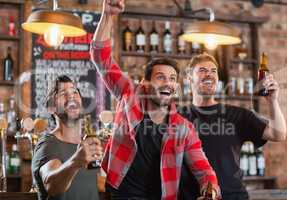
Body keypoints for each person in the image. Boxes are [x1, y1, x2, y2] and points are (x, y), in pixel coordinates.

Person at [90, 1, 221, 199]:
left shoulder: (184, 129)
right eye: (160, 77)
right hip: (119, 193)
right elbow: (101, 57)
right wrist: (107, 15)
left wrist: (211, 189)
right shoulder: (130, 95)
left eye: (172, 79)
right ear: (145, 83)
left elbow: (203, 169)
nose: (167, 83)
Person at [178, 53, 287, 200]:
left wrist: (273, 101)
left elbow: (278, 134)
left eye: (213, 71)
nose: (209, 75)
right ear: (189, 78)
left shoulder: (238, 115)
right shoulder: (177, 118)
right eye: (202, 70)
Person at [31, 75, 103, 200]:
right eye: (63, 93)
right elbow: (51, 185)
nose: (71, 96)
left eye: (74, 91)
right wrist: (76, 161)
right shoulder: (47, 144)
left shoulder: (87, 146)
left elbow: (99, 187)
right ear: (51, 108)